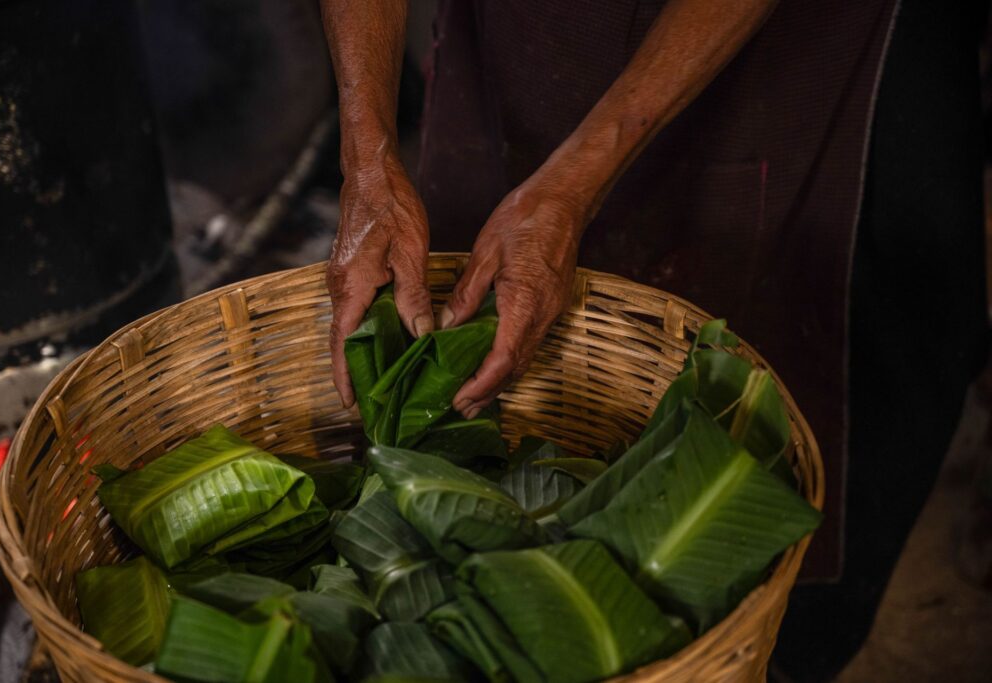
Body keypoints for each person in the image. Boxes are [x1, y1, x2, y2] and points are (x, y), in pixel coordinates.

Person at [320, 1, 988, 680]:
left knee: (843, 359)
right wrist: (366, 156)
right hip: (527, 36)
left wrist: (572, 184)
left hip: (803, 51)